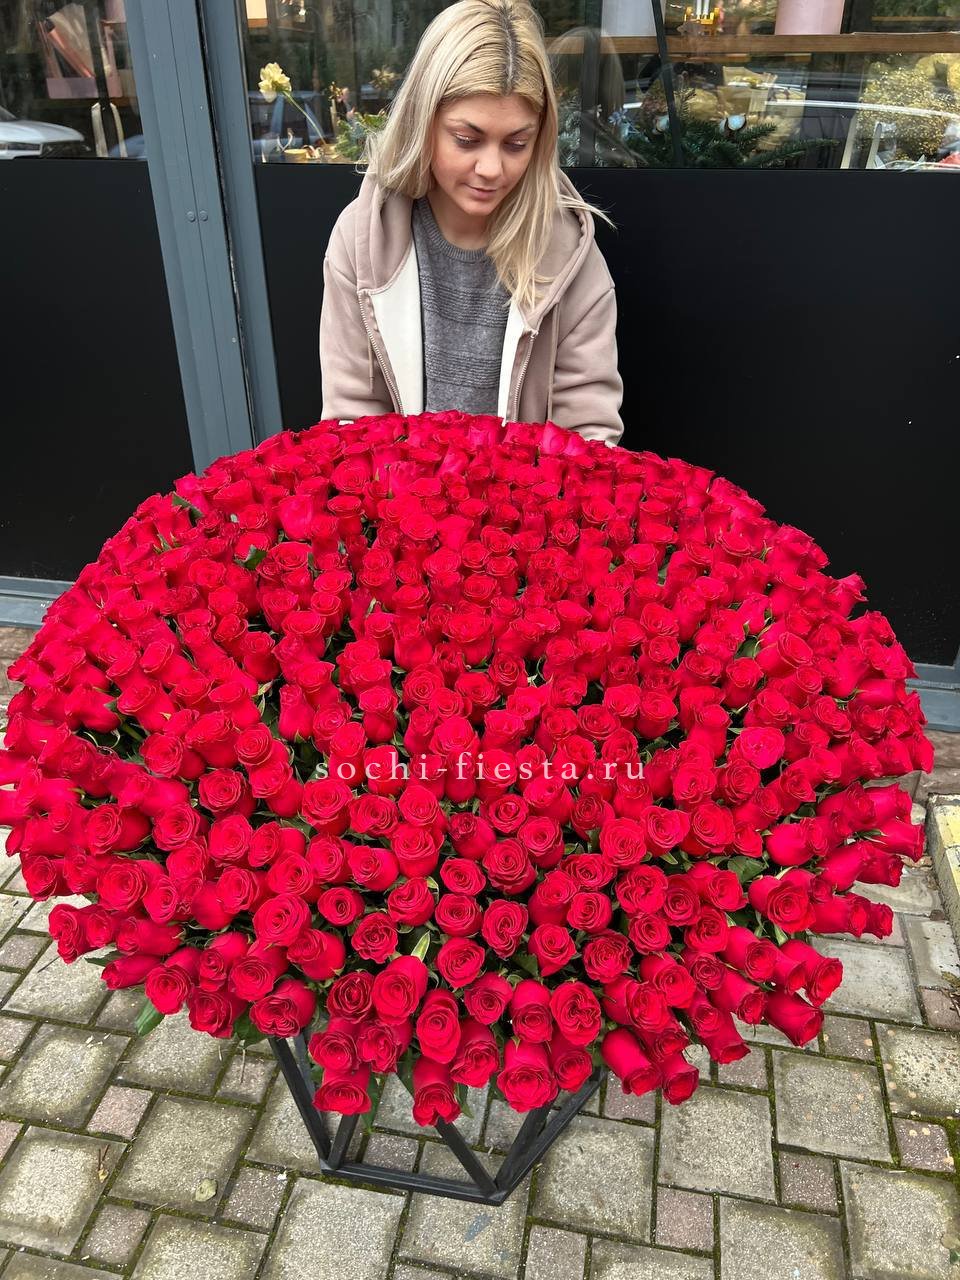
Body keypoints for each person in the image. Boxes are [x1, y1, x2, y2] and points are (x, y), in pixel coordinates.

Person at [318, 0, 625, 446]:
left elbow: (588, 438)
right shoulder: (363, 240)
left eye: (516, 144)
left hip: (533, 491)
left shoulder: (570, 256)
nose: (491, 169)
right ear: (422, 122)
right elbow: (352, 422)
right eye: (466, 140)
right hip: (398, 489)